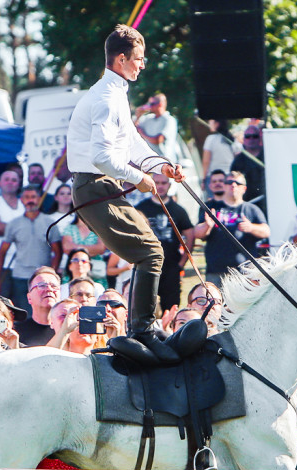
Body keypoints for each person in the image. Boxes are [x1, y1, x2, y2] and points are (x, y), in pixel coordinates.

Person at [66, 25, 187, 363]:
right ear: (121, 59)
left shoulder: (115, 93)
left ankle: (143, 326)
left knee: (152, 252)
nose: (142, 65)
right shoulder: (105, 98)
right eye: (138, 59)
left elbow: (131, 143)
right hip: (95, 185)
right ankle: (142, 329)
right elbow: (102, 157)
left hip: (103, 185)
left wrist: (161, 166)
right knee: (150, 253)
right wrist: (141, 178)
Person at [0, 184, 63, 312]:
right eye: (26, 197)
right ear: (22, 200)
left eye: (33, 197)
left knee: (44, 313)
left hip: (43, 279)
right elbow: (2, 252)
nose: (30, 200)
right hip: (20, 276)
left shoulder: (50, 222)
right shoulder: (14, 224)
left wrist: (52, 273)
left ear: (39, 199)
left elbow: (58, 251)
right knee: (23, 314)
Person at [192, 171, 269, 286]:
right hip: (216, 271)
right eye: (229, 182)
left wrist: (251, 227)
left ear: (244, 188)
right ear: (224, 186)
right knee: (216, 303)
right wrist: (207, 225)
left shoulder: (251, 209)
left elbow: (266, 231)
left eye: (237, 183)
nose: (233, 185)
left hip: (245, 271)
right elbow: (197, 233)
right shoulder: (210, 207)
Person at [135, 173, 193, 310]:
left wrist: (182, 263)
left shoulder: (178, 210)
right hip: (147, 266)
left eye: (163, 183)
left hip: (171, 266)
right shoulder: (140, 208)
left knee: (171, 307)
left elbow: (190, 236)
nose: (160, 186)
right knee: (145, 307)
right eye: (157, 183)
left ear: (169, 185)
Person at [230, 123, 266, 214]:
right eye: (248, 136)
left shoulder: (268, 155)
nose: (251, 139)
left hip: (266, 201)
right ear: (244, 139)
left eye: (255, 136)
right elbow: (233, 180)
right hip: (248, 203)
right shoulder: (238, 160)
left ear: (260, 138)